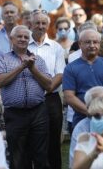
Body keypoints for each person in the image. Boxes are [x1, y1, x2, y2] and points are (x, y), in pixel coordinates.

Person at [0, 25, 52, 169]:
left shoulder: (38, 60)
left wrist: (32, 68)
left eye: (26, 37)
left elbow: (49, 85)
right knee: (18, 156)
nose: (23, 39)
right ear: (11, 39)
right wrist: (22, 66)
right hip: (15, 114)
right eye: (19, 36)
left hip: (38, 111)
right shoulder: (3, 59)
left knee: (41, 154)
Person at [28, 10, 66, 169]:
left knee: (53, 142)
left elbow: (60, 73)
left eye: (44, 23)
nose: (40, 26)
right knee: (32, 141)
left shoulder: (56, 47)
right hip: (29, 99)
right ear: (30, 24)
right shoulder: (23, 44)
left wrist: (49, 86)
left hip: (51, 99)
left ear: (48, 25)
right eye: (37, 23)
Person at [63, 29, 103, 128]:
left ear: (99, 44)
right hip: (82, 120)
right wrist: (90, 112)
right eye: (87, 42)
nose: (92, 45)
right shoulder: (71, 68)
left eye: (95, 42)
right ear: (80, 44)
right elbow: (69, 96)